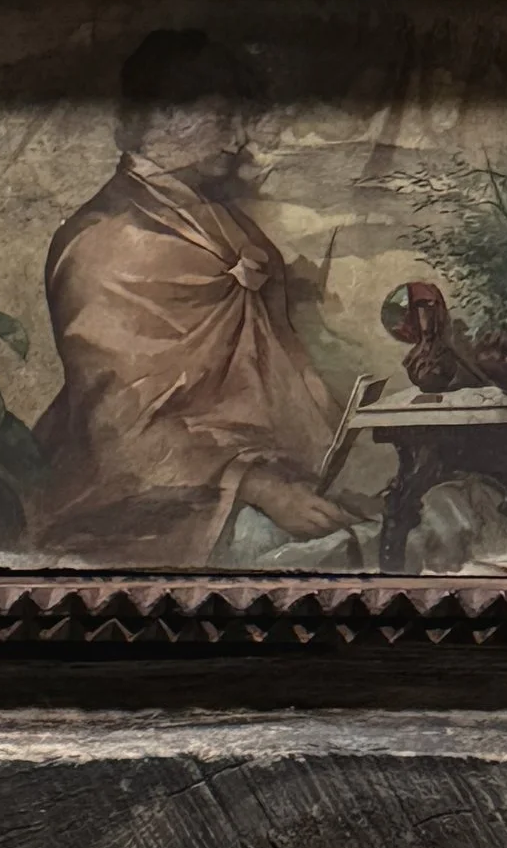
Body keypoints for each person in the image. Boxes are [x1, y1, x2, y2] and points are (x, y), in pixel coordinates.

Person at [29, 29, 370, 566]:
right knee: (340, 560)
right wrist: (260, 488)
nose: (240, 140)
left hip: (268, 474)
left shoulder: (208, 214)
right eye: (223, 119)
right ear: (163, 116)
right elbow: (120, 431)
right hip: (148, 507)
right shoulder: (104, 243)